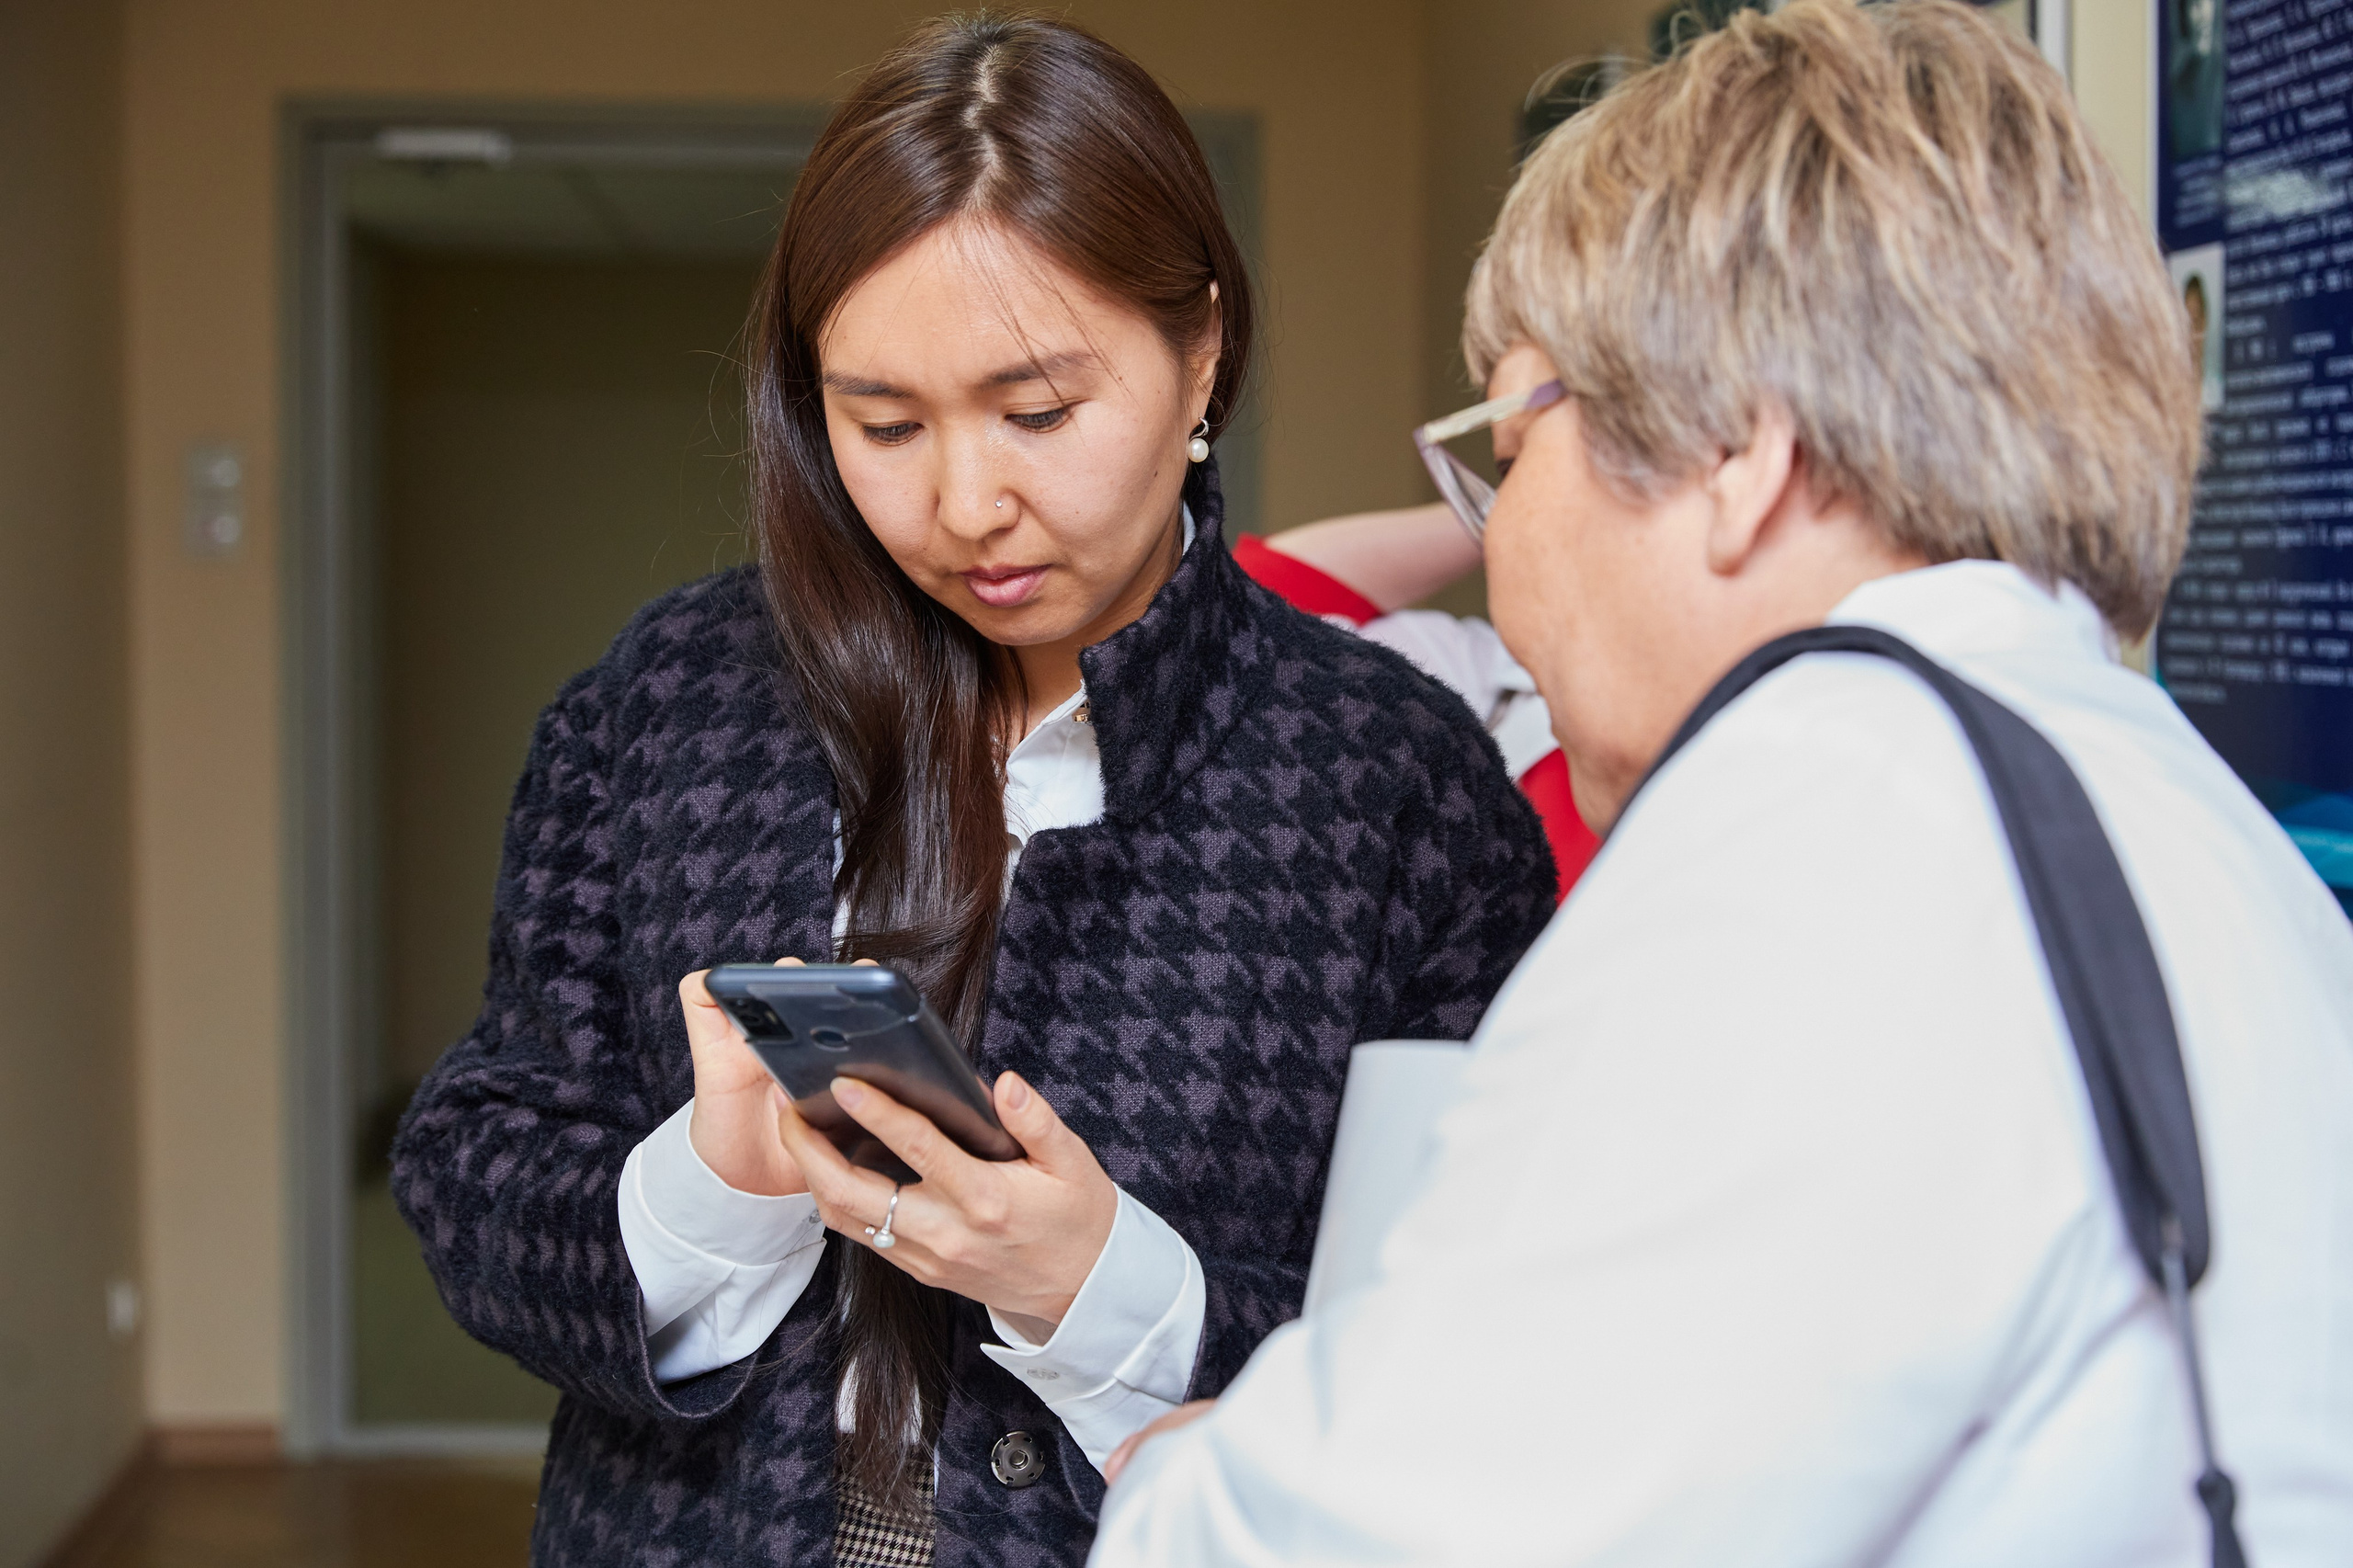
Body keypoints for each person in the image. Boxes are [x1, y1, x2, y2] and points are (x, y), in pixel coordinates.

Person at [1092, 3, 2353, 1562]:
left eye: (1514, 430)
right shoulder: (2180, 814)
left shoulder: (1826, 822)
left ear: (1740, 453)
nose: (1501, 535)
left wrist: (1178, 1475)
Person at [389, 16, 1556, 1567]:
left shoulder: (1394, 779)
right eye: (882, 424)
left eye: (1040, 413)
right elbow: (474, 1172)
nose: (962, 505)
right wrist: (710, 1187)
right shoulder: (663, 702)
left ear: (1200, 352)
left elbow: (1497, 1334)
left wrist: (1108, 1288)